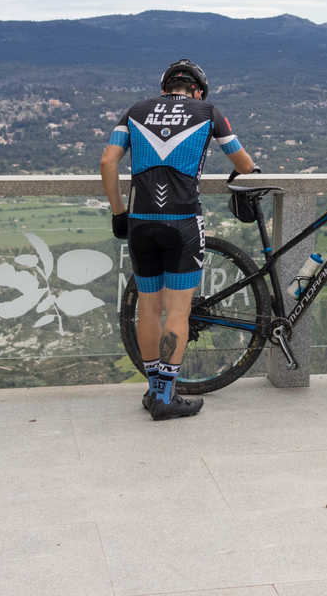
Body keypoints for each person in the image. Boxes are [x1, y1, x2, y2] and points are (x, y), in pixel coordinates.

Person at [98, 58, 255, 420]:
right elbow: (245, 165)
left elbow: (108, 162)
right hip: (182, 222)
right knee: (178, 311)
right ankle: (166, 397)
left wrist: (119, 212)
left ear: (164, 88)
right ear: (197, 90)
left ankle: (154, 390)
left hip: (140, 222)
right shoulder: (207, 111)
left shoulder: (136, 111)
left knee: (149, 308)